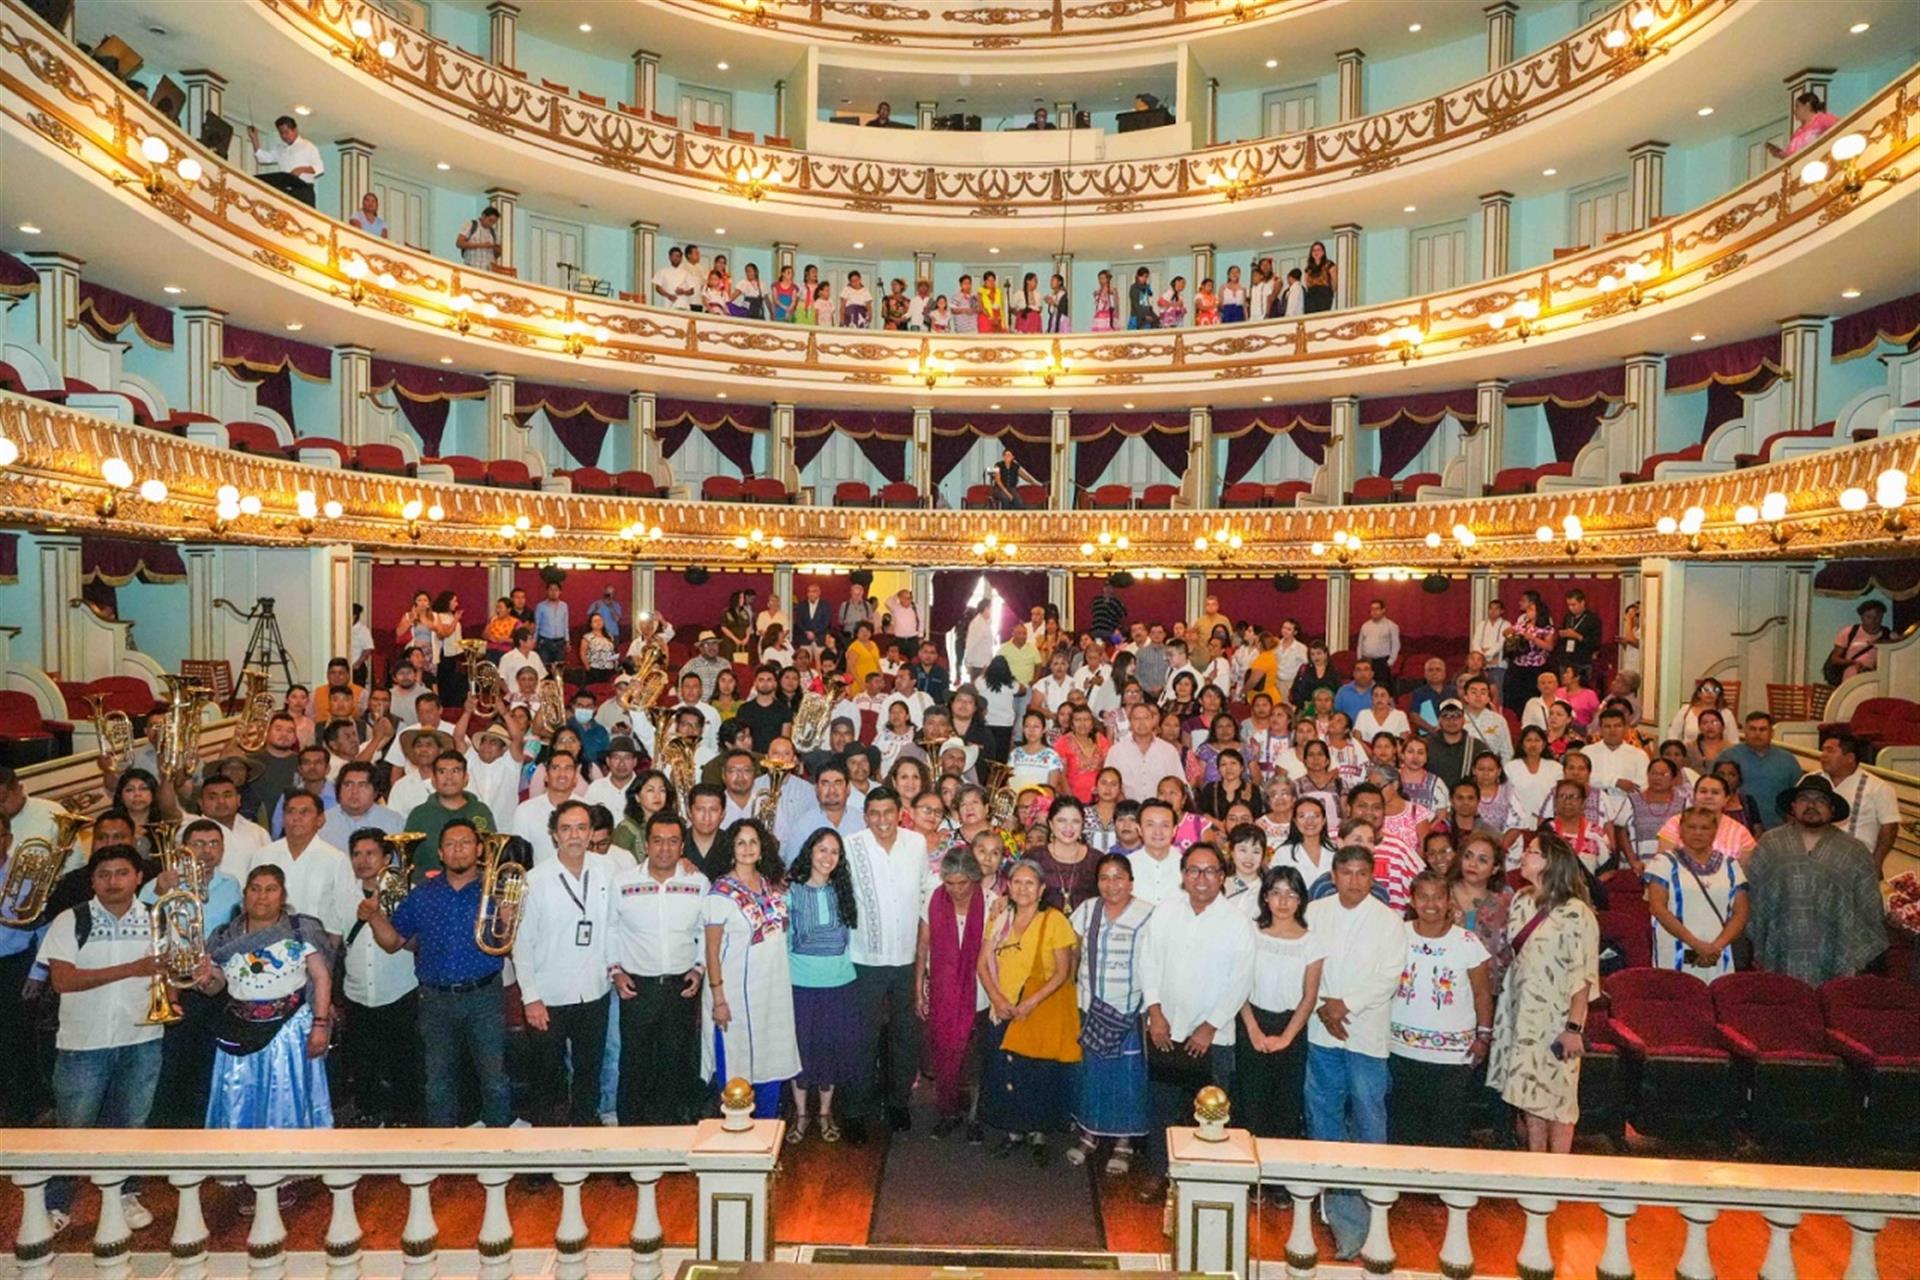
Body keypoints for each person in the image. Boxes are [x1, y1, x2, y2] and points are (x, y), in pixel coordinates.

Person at [36, 845, 165, 1231]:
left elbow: (169, 976)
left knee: (132, 1124)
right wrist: (132, 968)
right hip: (83, 1043)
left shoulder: (158, 919)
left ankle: (125, 1194)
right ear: (92, 880)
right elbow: (63, 980)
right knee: (73, 1128)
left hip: (142, 1038)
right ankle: (57, 1204)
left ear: (139, 877)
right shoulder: (69, 920)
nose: (113, 881)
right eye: (104, 874)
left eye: (122, 873)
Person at [361, 819, 510, 1126]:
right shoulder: (423, 895)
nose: (458, 851)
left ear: (480, 849)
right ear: (441, 853)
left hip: (484, 996)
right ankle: (442, 1156)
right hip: (435, 1000)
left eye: (466, 843)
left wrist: (508, 922)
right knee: (437, 1082)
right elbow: (392, 943)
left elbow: (506, 947)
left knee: (494, 1078)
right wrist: (373, 916)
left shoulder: (496, 892)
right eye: (451, 845)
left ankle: (501, 1155)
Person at [1136, 843, 1255, 1197]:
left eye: (1210, 871)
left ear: (1222, 876)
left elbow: (1241, 980)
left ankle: (1203, 1181)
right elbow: (1149, 962)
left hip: (1212, 1038)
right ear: (1183, 875)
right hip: (1165, 1030)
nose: (1201, 879)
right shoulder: (1166, 910)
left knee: (1207, 1112)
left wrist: (1209, 1026)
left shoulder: (1237, 922)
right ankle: (1159, 1171)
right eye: (1193, 870)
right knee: (1162, 1105)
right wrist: (1155, 1012)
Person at [1303, 845, 1405, 1258]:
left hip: (1365, 1034)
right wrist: (1326, 1004)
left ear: (1373, 877)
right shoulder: (1315, 912)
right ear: (1334, 874)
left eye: (1363, 874)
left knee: (1368, 1116)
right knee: (1324, 1114)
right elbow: (1304, 962)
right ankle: (1340, 1213)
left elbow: (1389, 977)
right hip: (1320, 1029)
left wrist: (1344, 1005)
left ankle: (1375, 1208)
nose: (1355, 881)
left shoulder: (1388, 921)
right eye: (1347, 873)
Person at [196, 863, 335, 1130]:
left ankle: (288, 1163)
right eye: (255, 889)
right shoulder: (225, 936)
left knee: (285, 1097)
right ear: (244, 894)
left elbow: (321, 977)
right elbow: (216, 987)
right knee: (238, 1098)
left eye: (271, 890)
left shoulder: (301, 930)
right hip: (238, 1029)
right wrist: (204, 980)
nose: (262, 896)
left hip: (289, 1031)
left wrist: (320, 1025)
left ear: (282, 896)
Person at [1487, 834, 1600, 1155]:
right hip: (1522, 1013)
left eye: (1532, 851)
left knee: (1559, 1096)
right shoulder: (1521, 901)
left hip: (1557, 1017)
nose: (1523, 855)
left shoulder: (1577, 913)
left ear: (1551, 862)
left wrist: (1574, 1027)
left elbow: (1584, 975)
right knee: (1528, 1093)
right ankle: (1535, 1165)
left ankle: (1559, 1170)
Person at [978, 858, 1081, 1162]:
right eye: (1016, 882)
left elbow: (1062, 973)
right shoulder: (999, 919)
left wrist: (1030, 1003)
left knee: (1036, 1073)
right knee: (1005, 1071)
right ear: (1008, 886)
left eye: (1029, 883)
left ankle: (1038, 1133)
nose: (1022, 888)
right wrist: (997, 999)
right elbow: (982, 963)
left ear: (1041, 889)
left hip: (1039, 1008)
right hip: (1003, 1007)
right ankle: (1013, 1132)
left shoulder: (1054, 921)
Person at [842, 786, 928, 1140]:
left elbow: (924, 895)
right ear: (865, 816)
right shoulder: (851, 846)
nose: (882, 821)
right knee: (862, 1038)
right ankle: (856, 1111)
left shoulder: (916, 844)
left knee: (905, 1038)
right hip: (865, 959)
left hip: (906, 958)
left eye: (888, 812)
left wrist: (922, 958)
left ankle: (897, 1104)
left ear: (899, 813)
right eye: (874, 814)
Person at [1388, 869, 1493, 1148]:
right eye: (1422, 897)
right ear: (1411, 900)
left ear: (1449, 902)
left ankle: (1447, 1191)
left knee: (1448, 1129)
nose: (1430, 904)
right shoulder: (1398, 933)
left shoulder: (1467, 942)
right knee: (1405, 1129)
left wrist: (1483, 1036)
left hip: (1452, 1055)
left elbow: (1482, 993)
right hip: (1401, 1049)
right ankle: (1407, 1189)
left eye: (1438, 897)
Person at [1745, 776, 1884, 984]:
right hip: (1781, 947)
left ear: (1832, 810)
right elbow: (1752, 896)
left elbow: (1869, 905)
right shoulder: (1770, 843)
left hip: (1837, 949)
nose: (1811, 805)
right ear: (1793, 806)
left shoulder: (1854, 850)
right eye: (1804, 799)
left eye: (1820, 800)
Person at [702, 819, 798, 1118]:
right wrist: (718, 999)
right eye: (740, 843)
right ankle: (737, 1142)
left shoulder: (770, 886)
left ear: (762, 847)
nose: (747, 849)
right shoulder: (720, 894)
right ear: (731, 849)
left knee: (772, 1060)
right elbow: (711, 952)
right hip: (735, 996)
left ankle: (767, 1134)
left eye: (753, 842)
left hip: (773, 992)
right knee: (737, 1064)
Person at [1234, 865, 1323, 1140]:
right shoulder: (1250, 933)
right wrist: (1253, 1030)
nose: (1283, 902)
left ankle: (1279, 1179)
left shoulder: (1312, 941)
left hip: (1291, 1027)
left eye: (1291, 894)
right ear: (1265, 898)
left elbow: (1309, 996)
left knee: (1285, 1106)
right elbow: (1239, 985)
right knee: (1250, 1104)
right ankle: (1249, 1179)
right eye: (1276, 893)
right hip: (1252, 1023)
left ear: (1301, 900)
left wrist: (1286, 1037)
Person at [785, 829, 860, 1141]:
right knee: (800, 1049)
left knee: (831, 1049)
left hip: (839, 983)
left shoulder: (843, 890)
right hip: (800, 983)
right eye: (822, 850)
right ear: (809, 852)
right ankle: (801, 1115)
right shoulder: (789, 891)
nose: (828, 857)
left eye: (834, 852)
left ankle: (825, 1113)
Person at [916, 845, 992, 1140]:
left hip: (979, 992)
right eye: (950, 883)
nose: (956, 890)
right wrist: (918, 990)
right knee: (944, 1053)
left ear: (974, 878)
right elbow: (923, 946)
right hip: (942, 991)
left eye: (963, 883)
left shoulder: (992, 902)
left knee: (974, 1059)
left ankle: (974, 1117)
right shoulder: (934, 899)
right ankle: (948, 1112)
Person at [1646, 807, 1751, 984]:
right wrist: (1695, 943)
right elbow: (1658, 908)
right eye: (1691, 827)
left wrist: (1716, 946)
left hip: (1718, 953)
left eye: (1704, 828)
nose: (1698, 833)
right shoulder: (1663, 863)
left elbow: (1740, 912)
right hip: (1675, 952)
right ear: (1680, 830)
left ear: (1715, 831)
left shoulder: (1730, 865)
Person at [1812, 731, 1900, 869]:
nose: (1823, 756)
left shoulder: (1878, 788)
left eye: (1830, 751)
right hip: (1814, 860)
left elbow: (1889, 829)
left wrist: (1876, 863)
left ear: (1850, 758)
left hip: (1856, 864)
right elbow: (1793, 813)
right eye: (1823, 750)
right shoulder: (1811, 780)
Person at [248, 114, 323, 205]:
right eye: (281, 133)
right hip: (285, 191)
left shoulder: (307, 146)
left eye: (286, 132)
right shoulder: (279, 148)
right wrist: (254, 139)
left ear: (295, 130)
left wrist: (301, 169)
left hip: (303, 191)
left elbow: (320, 168)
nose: (284, 136)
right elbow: (262, 158)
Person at [1768, 90, 1840, 159]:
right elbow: (1791, 157)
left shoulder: (1822, 118)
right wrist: (1780, 154)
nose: (1795, 111)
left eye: (1797, 107)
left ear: (1807, 106)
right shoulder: (1797, 133)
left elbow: (1840, 127)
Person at [455, 205, 503, 271]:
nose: (491, 224)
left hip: (488, 271)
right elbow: (459, 243)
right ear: (483, 216)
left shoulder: (494, 232)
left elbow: (499, 253)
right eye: (490, 220)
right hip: (471, 268)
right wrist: (481, 245)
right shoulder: (471, 225)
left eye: (494, 222)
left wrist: (493, 247)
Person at [1301, 241, 1337, 313]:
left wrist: (1330, 294)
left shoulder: (1329, 265)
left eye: (1318, 250)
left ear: (1323, 252)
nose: (1316, 252)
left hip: (1324, 295)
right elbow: (1307, 285)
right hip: (1311, 296)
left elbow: (1334, 282)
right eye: (1314, 250)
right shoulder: (1308, 269)